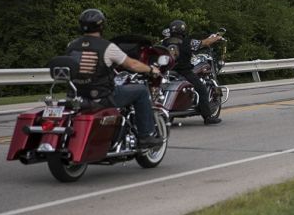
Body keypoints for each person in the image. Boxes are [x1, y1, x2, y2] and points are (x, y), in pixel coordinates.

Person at [66, 9, 163, 147]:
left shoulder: (71, 45)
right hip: (102, 96)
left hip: (77, 95)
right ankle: (146, 136)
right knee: (141, 91)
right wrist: (151, 69)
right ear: (101, 26)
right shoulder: (107, 47)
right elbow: (133, 64)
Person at [162, 20, 224, 124]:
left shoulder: (165, 42)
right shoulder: (188, 42)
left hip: (167, 71)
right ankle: (208, 117)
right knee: (202, 89)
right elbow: (205, 42)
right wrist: (216, 38)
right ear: (183, 30)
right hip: (184, 71)